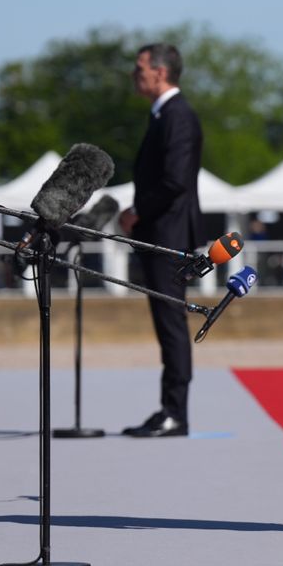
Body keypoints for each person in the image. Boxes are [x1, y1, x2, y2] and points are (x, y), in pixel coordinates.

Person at [119, 43, 203, 437]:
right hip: (159, 233)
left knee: (171, 323)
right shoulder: (162, 115)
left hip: (168, 236)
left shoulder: (178, 116)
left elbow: (175, 180)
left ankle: (176, 412)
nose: (136, 75)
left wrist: (138, 212)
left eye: (140, 69)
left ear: (161, 72)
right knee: (165, 322)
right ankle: (169, 407)